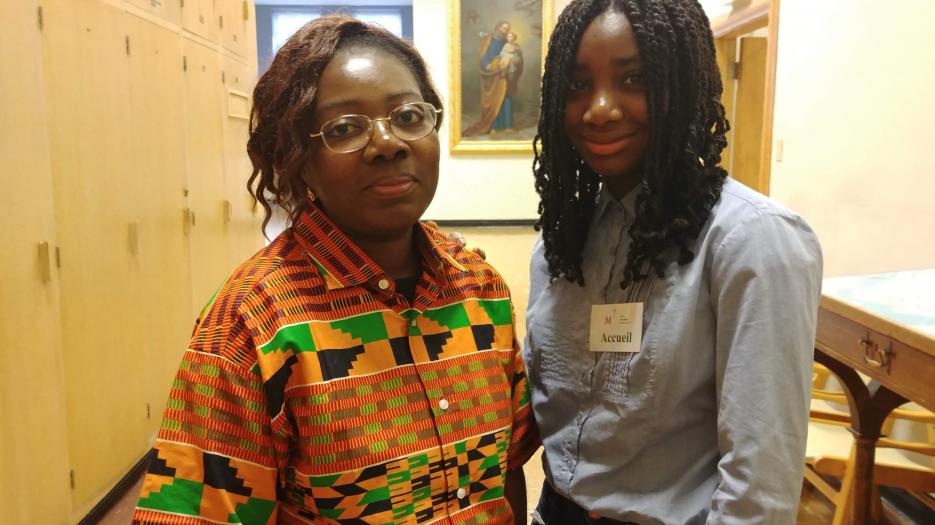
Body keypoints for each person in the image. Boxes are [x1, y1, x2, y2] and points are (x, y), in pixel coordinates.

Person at [132, 16, 537, 525]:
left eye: (408, 115)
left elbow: (507, 471)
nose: (388, 142)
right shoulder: (251, 325)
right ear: (299, 160)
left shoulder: (480, 287)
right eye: (344, 128)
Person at [524, 0, 823, 523]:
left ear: (683, 84)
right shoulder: (561, 245)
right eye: (577, 85)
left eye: (634, 79)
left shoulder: (751, 240)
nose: (599, 109)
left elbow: (759, 488)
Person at [463, 21, 522, 136]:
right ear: (498, 27)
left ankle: (507, 126)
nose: (505, 30)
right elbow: (483, 55)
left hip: (503, 74)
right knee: (493, 101)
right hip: (492, 74)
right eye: (504, 28)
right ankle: (493, 126)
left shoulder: (507, 42)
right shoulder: (488, 40)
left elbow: (516, 56)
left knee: (506, 98)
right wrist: (487, 65)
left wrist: (515, 61)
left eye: (507, 29)